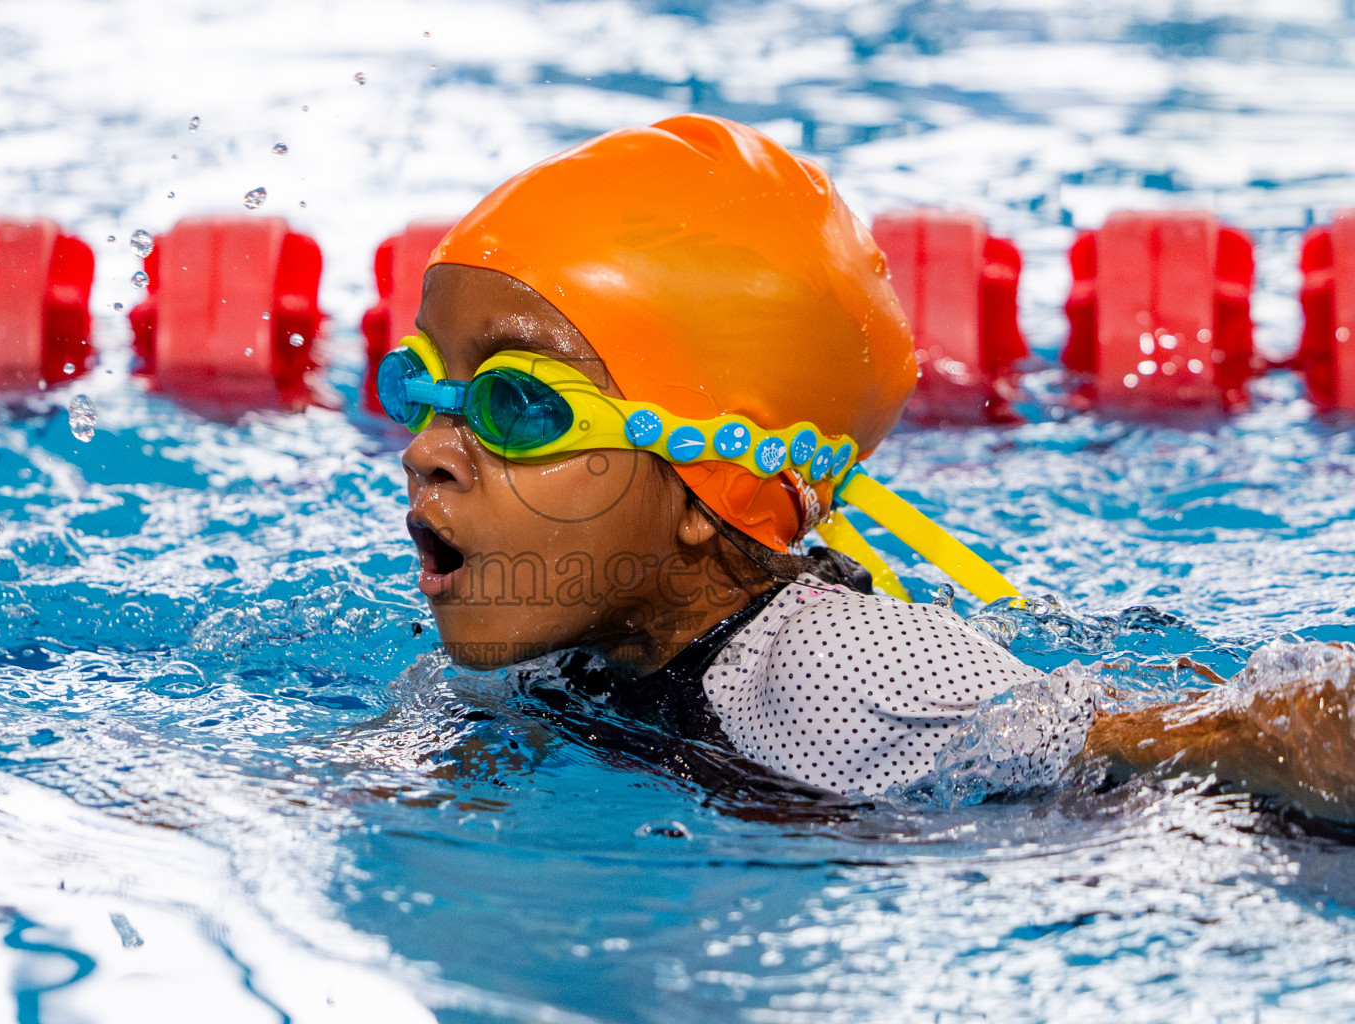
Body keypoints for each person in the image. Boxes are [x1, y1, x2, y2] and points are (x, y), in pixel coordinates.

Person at [379, 114, 1355, 820]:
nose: (428, 450)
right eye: (422, 387)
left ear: (708, 486)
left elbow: (1222, 736)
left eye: (521, 406)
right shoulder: (553, 637)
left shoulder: (831, 670)